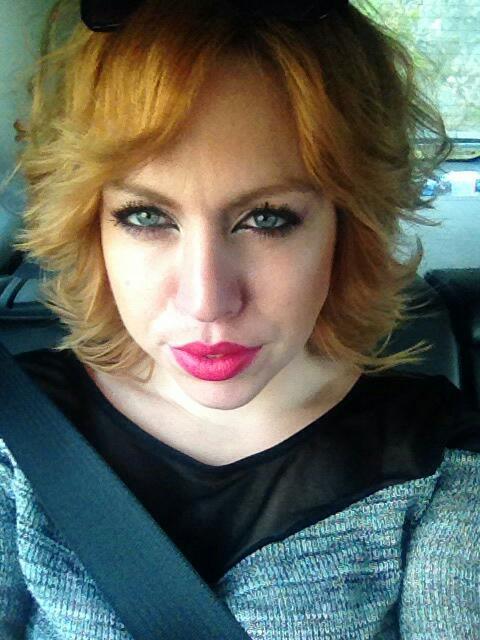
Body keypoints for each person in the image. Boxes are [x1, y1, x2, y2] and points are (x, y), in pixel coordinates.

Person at [1, 0, 479, 638]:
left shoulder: (437, 458)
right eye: (147, 216)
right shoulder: (17, 433)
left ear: (346, 228)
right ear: (93, 228)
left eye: (267, 218)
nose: (206, 301)